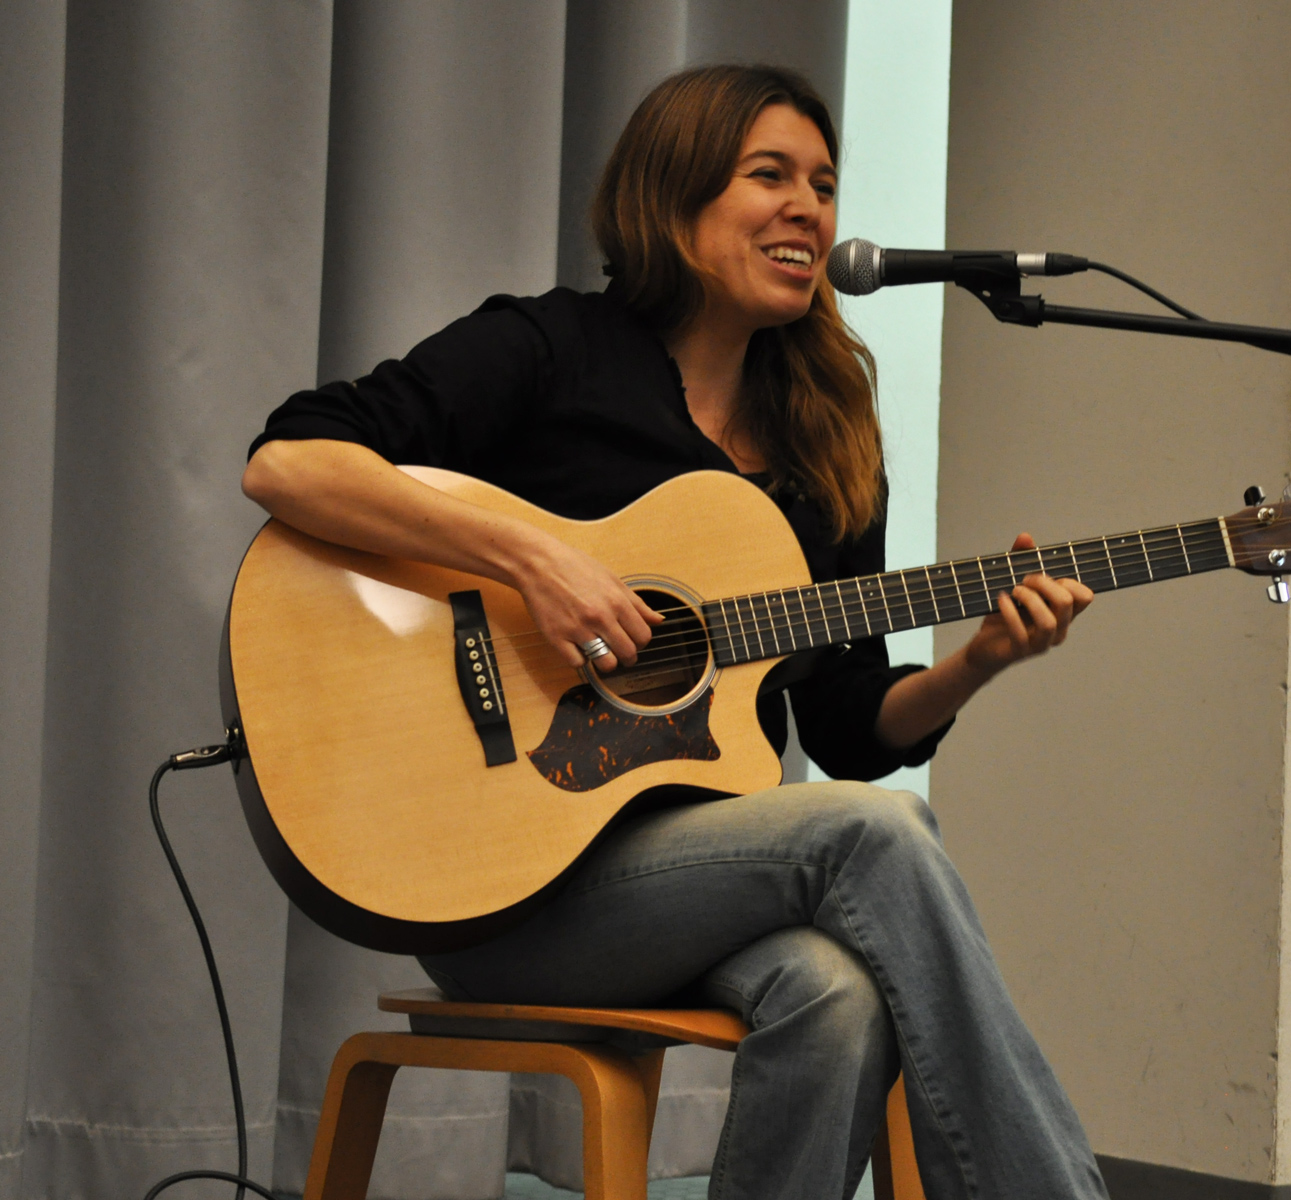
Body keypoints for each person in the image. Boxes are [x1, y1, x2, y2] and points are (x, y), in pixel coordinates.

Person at [243, 64, 1108, 1200]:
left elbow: (848, 726)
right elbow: (291, 460)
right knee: (883, 833)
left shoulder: (827, 439)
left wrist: (975, 663)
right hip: (496, 891)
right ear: (676, 195)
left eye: (827, 184)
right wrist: (532, 559)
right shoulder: (551, 349)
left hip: (682, 884)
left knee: (837, 998)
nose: (812, 208)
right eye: (771, 176)